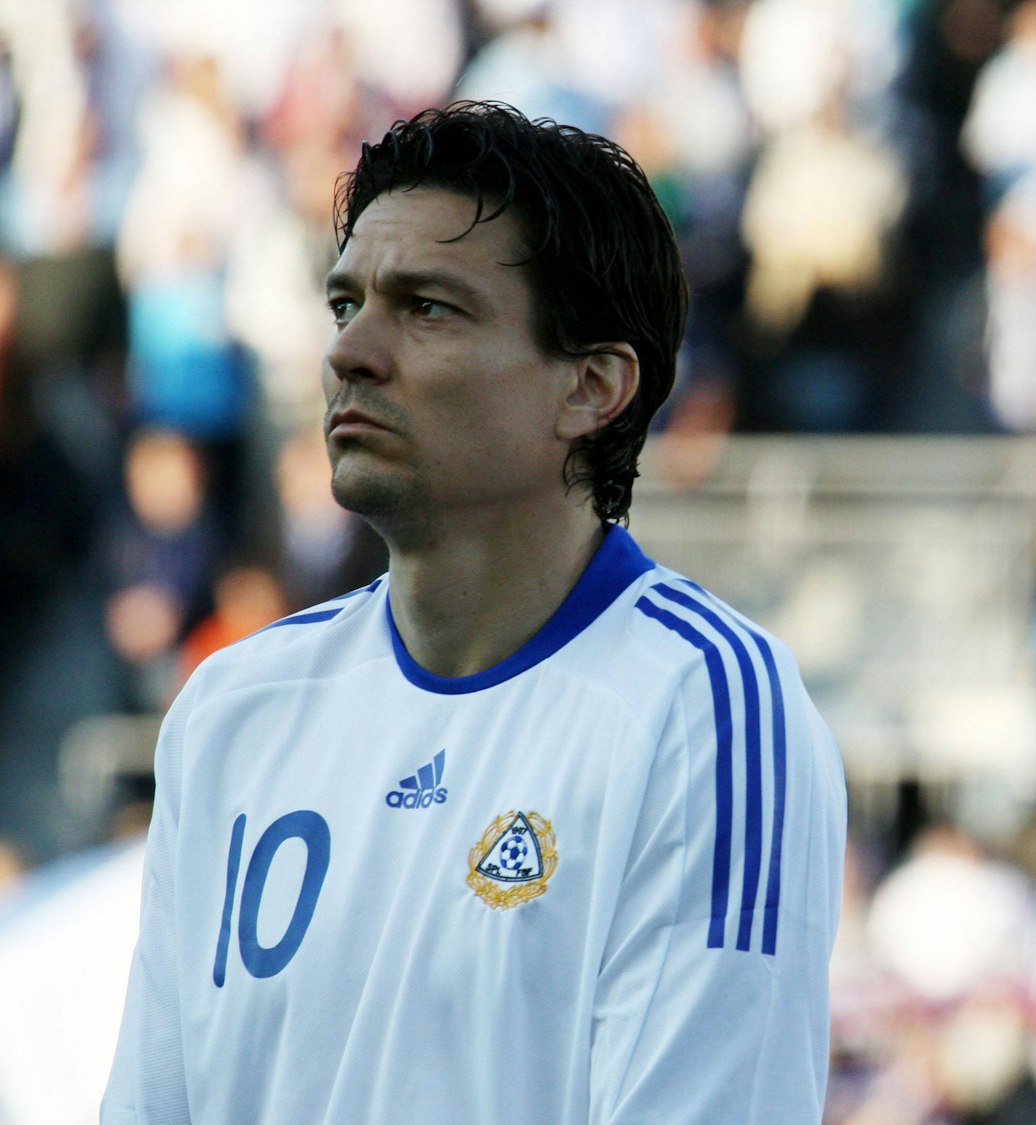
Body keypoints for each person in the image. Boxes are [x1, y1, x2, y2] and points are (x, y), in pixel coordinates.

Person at [103, 102, 847, 1123]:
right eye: (344, 304)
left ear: (590, 388)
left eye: (426, 308)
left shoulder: (703, 707)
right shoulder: (234, 706)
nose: (349, 353)